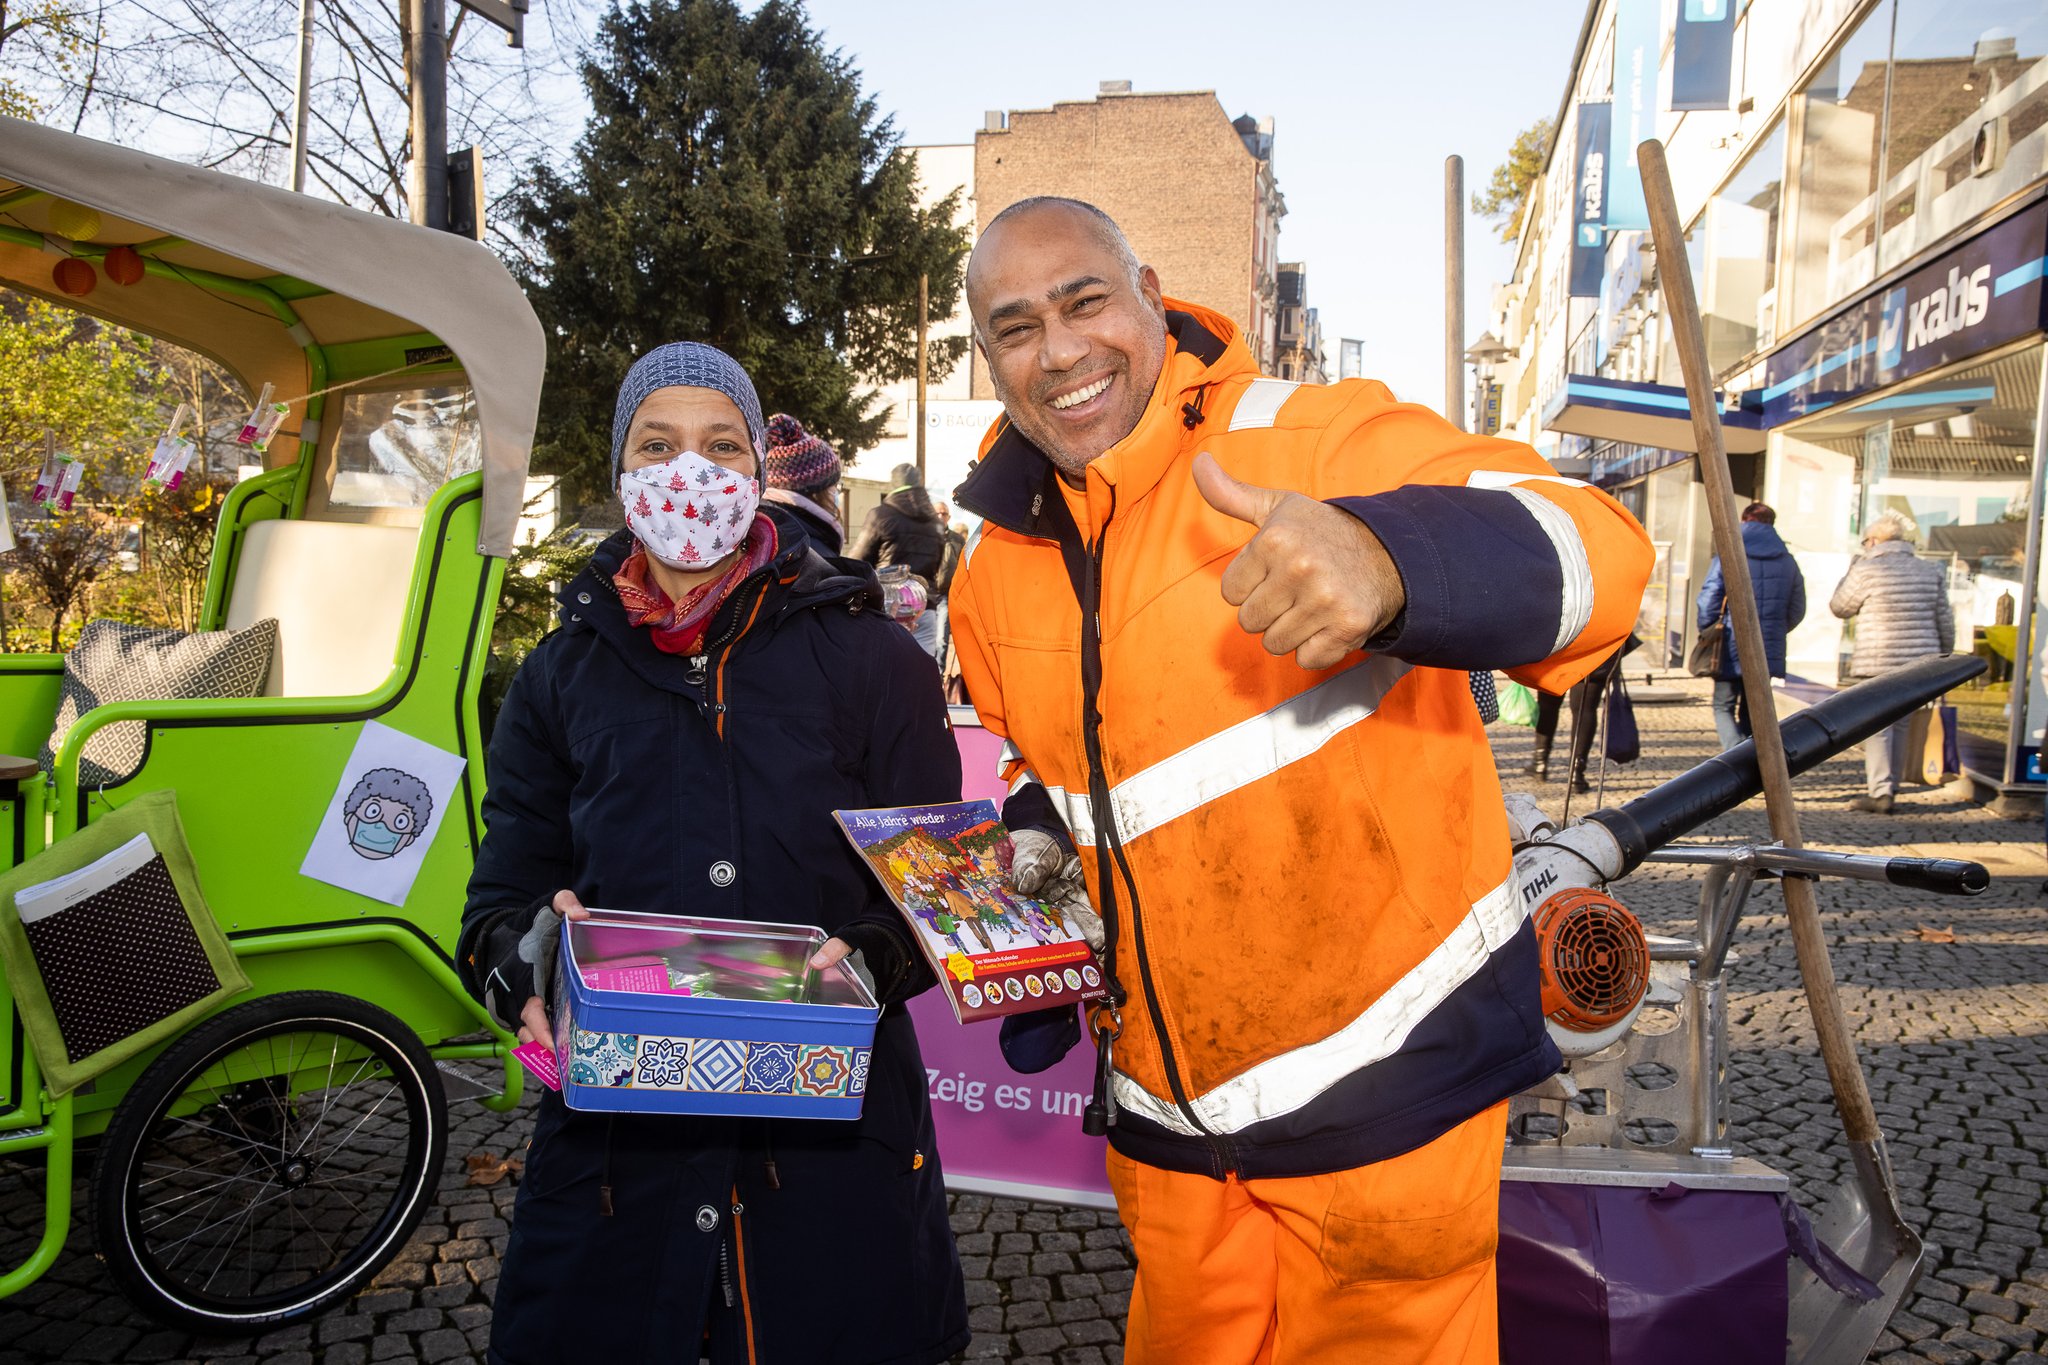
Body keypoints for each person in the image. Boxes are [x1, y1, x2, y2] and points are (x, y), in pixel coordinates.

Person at [947, 197, 1652, 1364]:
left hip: (1383, 1109)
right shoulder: (997, 559)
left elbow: (1594, 542)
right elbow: (1049, 765)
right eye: (1015, 327)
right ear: (988, 359)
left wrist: (1390, 558)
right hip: (1166, 1128)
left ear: (1149, 294)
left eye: (1084, 302)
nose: (1059, 349)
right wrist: (1027, 852)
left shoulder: (1307, 439)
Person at [458, 342, 969, 1365]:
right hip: (615, 1166)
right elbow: (502, 895)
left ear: (756, 472)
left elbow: (934, 890)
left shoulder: (873, 663)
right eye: (658, 443)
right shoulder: (558, 679)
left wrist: (871, 956)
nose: (688, 470)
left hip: (831, 1162)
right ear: (619, 475)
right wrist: (520, 964)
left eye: (720, 444)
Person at [1830, 509, 1955, 813]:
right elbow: (1945, 619)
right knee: (1901, 725)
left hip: (1878, 659)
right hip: (1919, 662)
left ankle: (1882, 791)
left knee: (1878, 727)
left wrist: (1851, 570)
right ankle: (1891, 787)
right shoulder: (1929, 570)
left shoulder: (1867, 569)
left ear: (1873, 541)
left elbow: (1840, 607)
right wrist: (1943, 656)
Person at [1696, 501, 1807, 752]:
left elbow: (1708, 598)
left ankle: (1735, 754)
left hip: (1728, 642)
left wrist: (1709, 629)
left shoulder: (1729, 552)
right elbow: (1797, 608)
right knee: (1754, 708)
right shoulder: (1787, 561)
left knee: (1722, 705)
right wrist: (1776, 629)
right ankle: (1751, 758)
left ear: (1744, 521)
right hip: (1768, 644)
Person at [848, 463, 947, 661]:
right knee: (921, 671)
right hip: (923, 605)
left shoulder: (880, 515)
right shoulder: (935, 523)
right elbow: (936, 566)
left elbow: (857, 561)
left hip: (887, 606)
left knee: (885, 671)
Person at [1526, 634, 1639, 793]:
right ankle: (1576, 774)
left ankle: (1540, 763)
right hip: (1597, 649)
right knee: (1584, 711)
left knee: (1548, 706)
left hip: (1559, 650)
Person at [761, 412, 845, 554]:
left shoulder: (764, 525)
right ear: (817, 491)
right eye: (834, 485)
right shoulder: (812, 549)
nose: (836, 493)